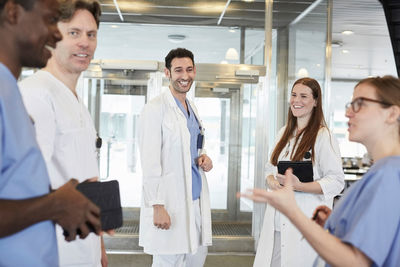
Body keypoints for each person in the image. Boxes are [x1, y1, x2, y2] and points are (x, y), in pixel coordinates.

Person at [240, 75, 400, 266]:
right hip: (280, 221)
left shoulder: (389, 176)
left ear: (392, 114)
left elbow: (357, 260)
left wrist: (294, 210)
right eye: (350, 104)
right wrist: (335, 223)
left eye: (360, 104)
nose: (348, 112)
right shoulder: (381, 173)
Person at [0, 0, 102, 266]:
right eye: (73, 33)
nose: (84, 43)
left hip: (72, 246)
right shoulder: (34, 95)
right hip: (46, 249)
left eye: (91, 34)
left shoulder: (74, 98)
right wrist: (56, 204)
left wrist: (97, 242)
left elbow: (30, 181)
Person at [254, 77, 345, 267]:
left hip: (305, 222)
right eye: (294, 95)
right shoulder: (284, 132)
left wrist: (300, 186)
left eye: (304, 96)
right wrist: (271, 179)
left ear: (316, 102)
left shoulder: (323, 136)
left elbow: (336, 181)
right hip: (278, 221)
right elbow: (270, 166)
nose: (297, 100)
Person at [138, 48, 213, 267]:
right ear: (167, 73)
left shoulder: (192, 108)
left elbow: (194, 147)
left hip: (195, 200)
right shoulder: (155, 109)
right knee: (168, 261)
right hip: (170, 202)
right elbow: (150, 162)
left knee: (196, 259)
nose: (184, 75)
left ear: (195, 71)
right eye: (178, 70)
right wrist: (158, 205)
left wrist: (204, 157)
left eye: (189, 69)